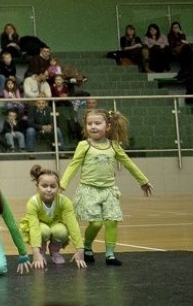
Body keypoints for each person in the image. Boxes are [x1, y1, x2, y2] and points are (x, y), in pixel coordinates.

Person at [60, 109, 153, 266]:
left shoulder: (114, 146)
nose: (93, 127)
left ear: (108, 126)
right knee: (96, 223)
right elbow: (73, 166)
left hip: (109, 191)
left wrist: (142, 180)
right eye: (89, 124)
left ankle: (110, 254)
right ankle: (88, 246)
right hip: (89, 190)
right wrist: (62, 186)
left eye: (97, 123)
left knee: (112, 221)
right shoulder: (84, 145)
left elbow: (128, 163)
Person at [20, 165, 86, 270]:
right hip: (40, 228)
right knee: (43, 231)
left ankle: (54, 251)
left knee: (61, 231)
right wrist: (36, 253)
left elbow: (72, 224)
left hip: (55, 225)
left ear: (58, 187)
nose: (49, 189)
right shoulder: (33, 202)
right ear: (37, 186)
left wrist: (80, 249)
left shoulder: (64, 201)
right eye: (44, 186)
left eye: (53, 186)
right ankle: (41, 252)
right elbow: (34, 227)